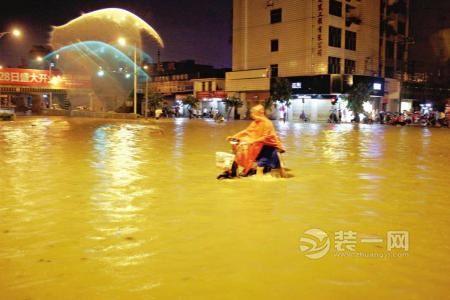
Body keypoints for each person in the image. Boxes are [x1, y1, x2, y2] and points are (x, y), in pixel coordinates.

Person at [225, 104, 285, 177]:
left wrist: (252, 141)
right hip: (259, 145)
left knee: (263, 169)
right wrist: (233, 137)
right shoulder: (255, 122)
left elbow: (265, 137)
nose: (252, 115)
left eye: (253, 113)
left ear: (259, 113)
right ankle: (245, 169)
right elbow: (246, 131)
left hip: (269, 147)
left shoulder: (267, 123)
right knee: (242, 147)